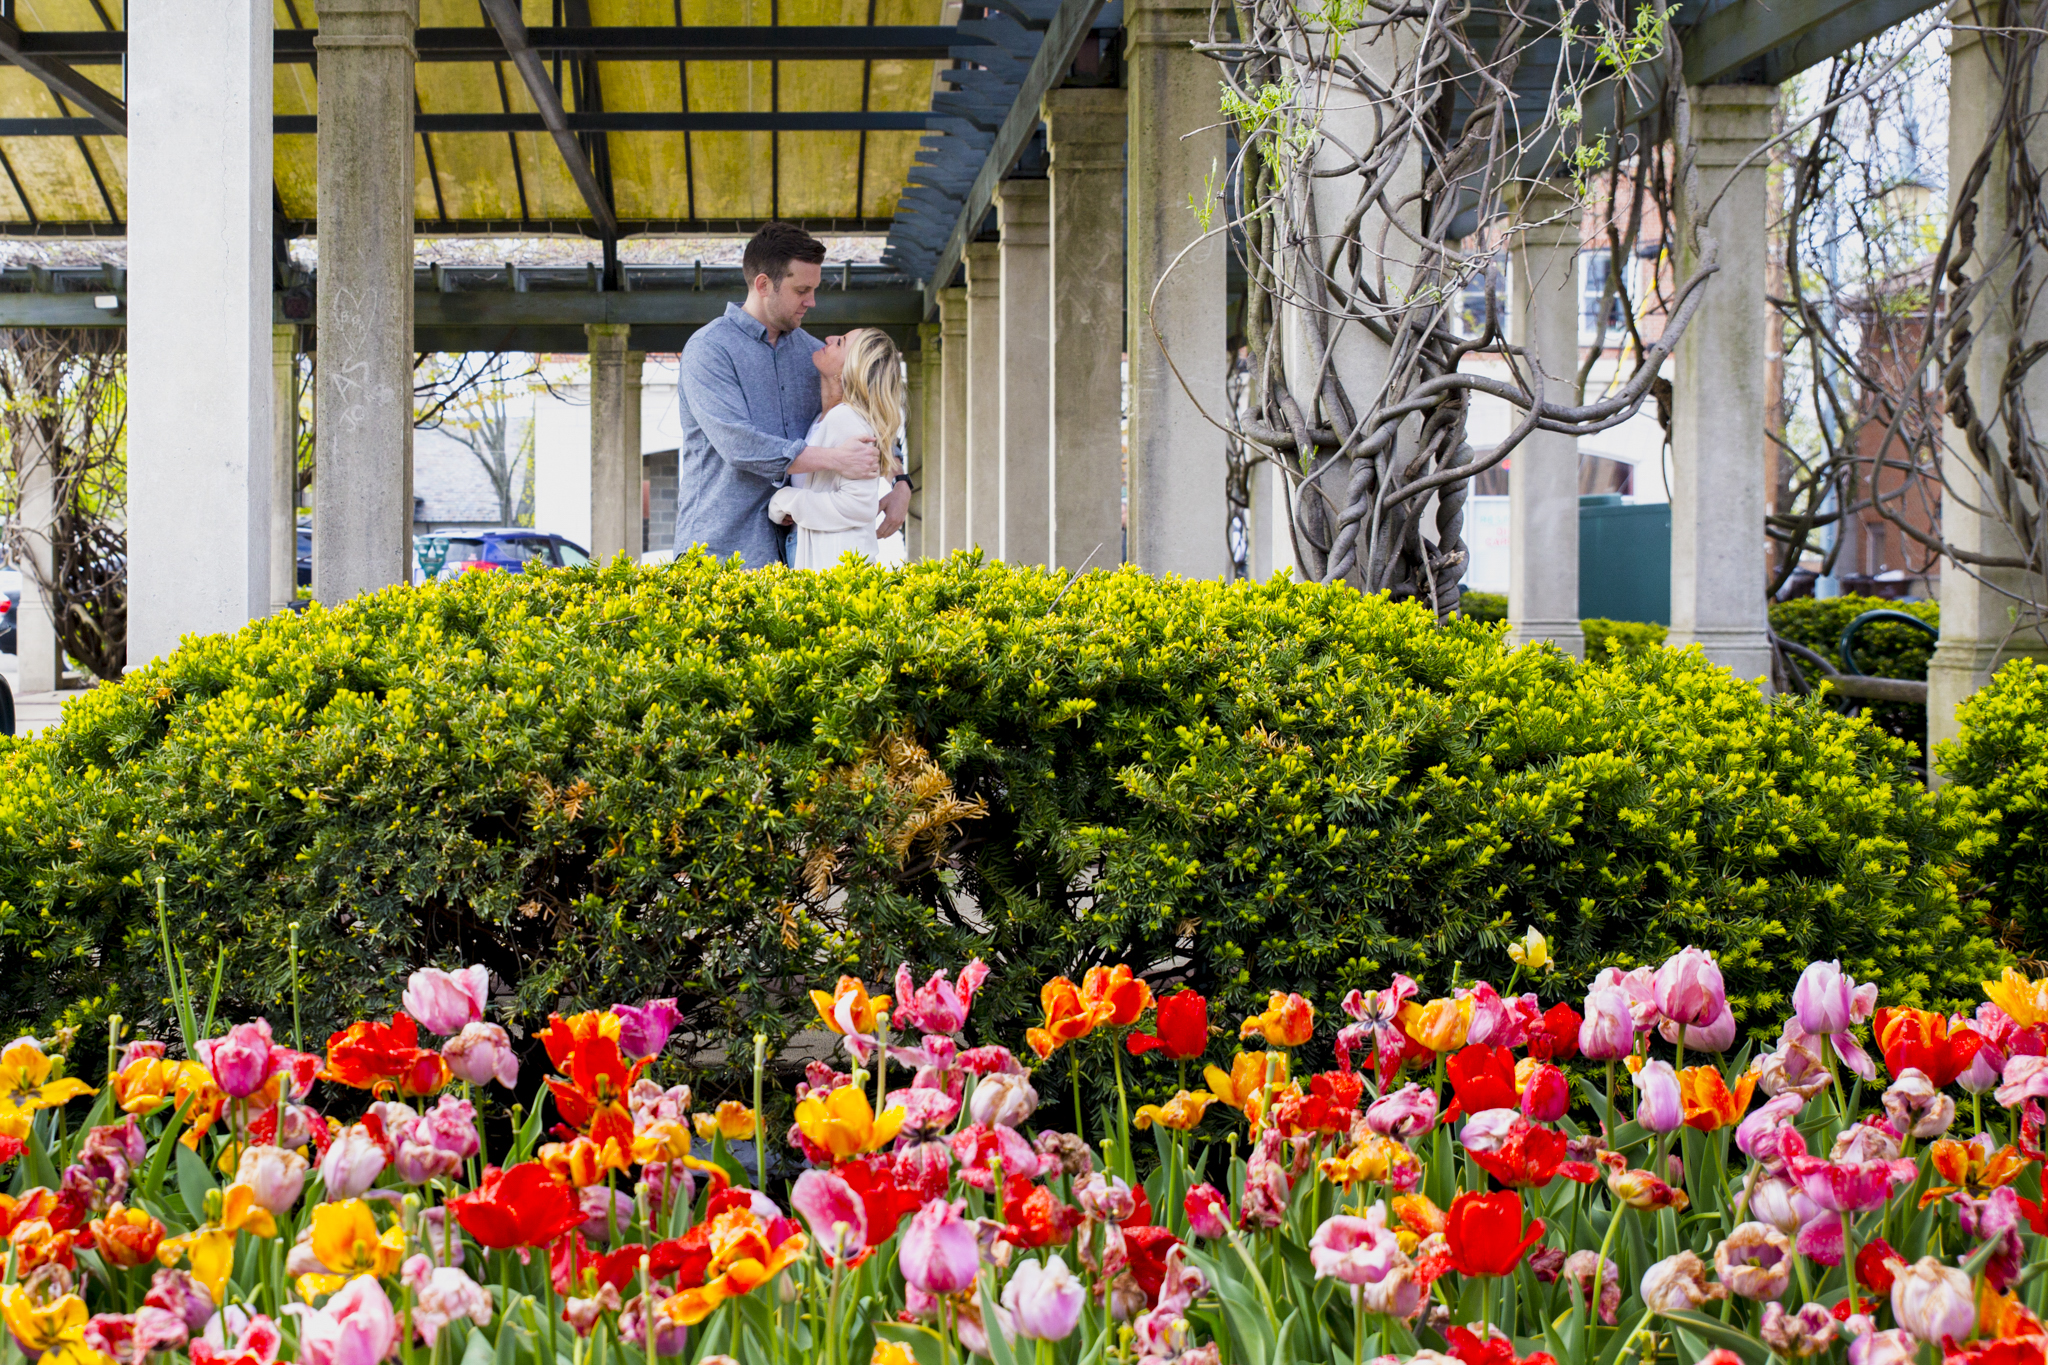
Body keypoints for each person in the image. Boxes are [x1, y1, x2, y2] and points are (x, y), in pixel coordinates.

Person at [673, 223, 913, 567]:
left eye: (814, 289)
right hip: (718, 551)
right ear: (763, 285)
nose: (812, 302)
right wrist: (835, 459)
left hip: (796, 556)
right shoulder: (710, 350)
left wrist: (900, 482)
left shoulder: (817, 356)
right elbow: (739, 445)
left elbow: (869, 417)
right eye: (802, 290)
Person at [769, 328, 904, 568]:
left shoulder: (846, 420)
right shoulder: (823, 419)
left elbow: (859, 506)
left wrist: (784, 499)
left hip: (836, 573)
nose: (828, 338)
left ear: (845, 372)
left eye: (840, 343)